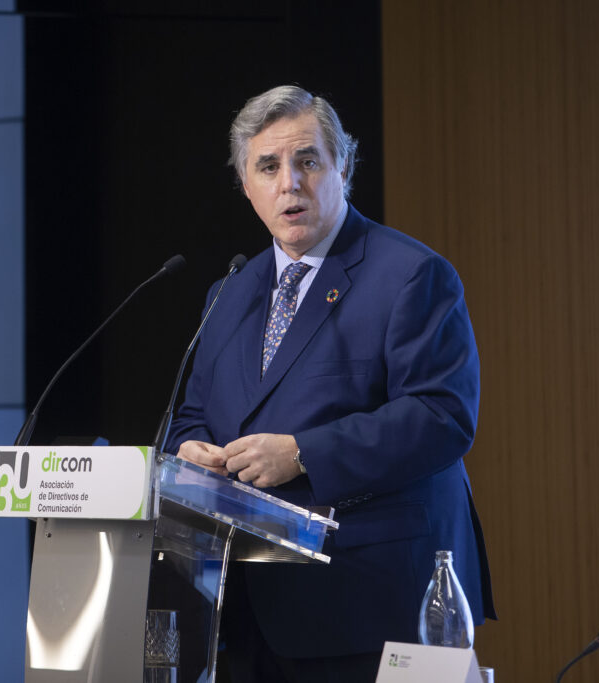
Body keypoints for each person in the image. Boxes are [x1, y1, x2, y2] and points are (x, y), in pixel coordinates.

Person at [165, 85, 495, 683]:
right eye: (268, 166)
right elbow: (193, 415)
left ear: (344, 166)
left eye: (308, 161)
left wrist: (302, 453)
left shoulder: (411, 275)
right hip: (249, 609)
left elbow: (441, 417)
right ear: (246, 185)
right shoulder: (228, 294)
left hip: (373, 603)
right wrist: (189, 451)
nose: (290, 182)